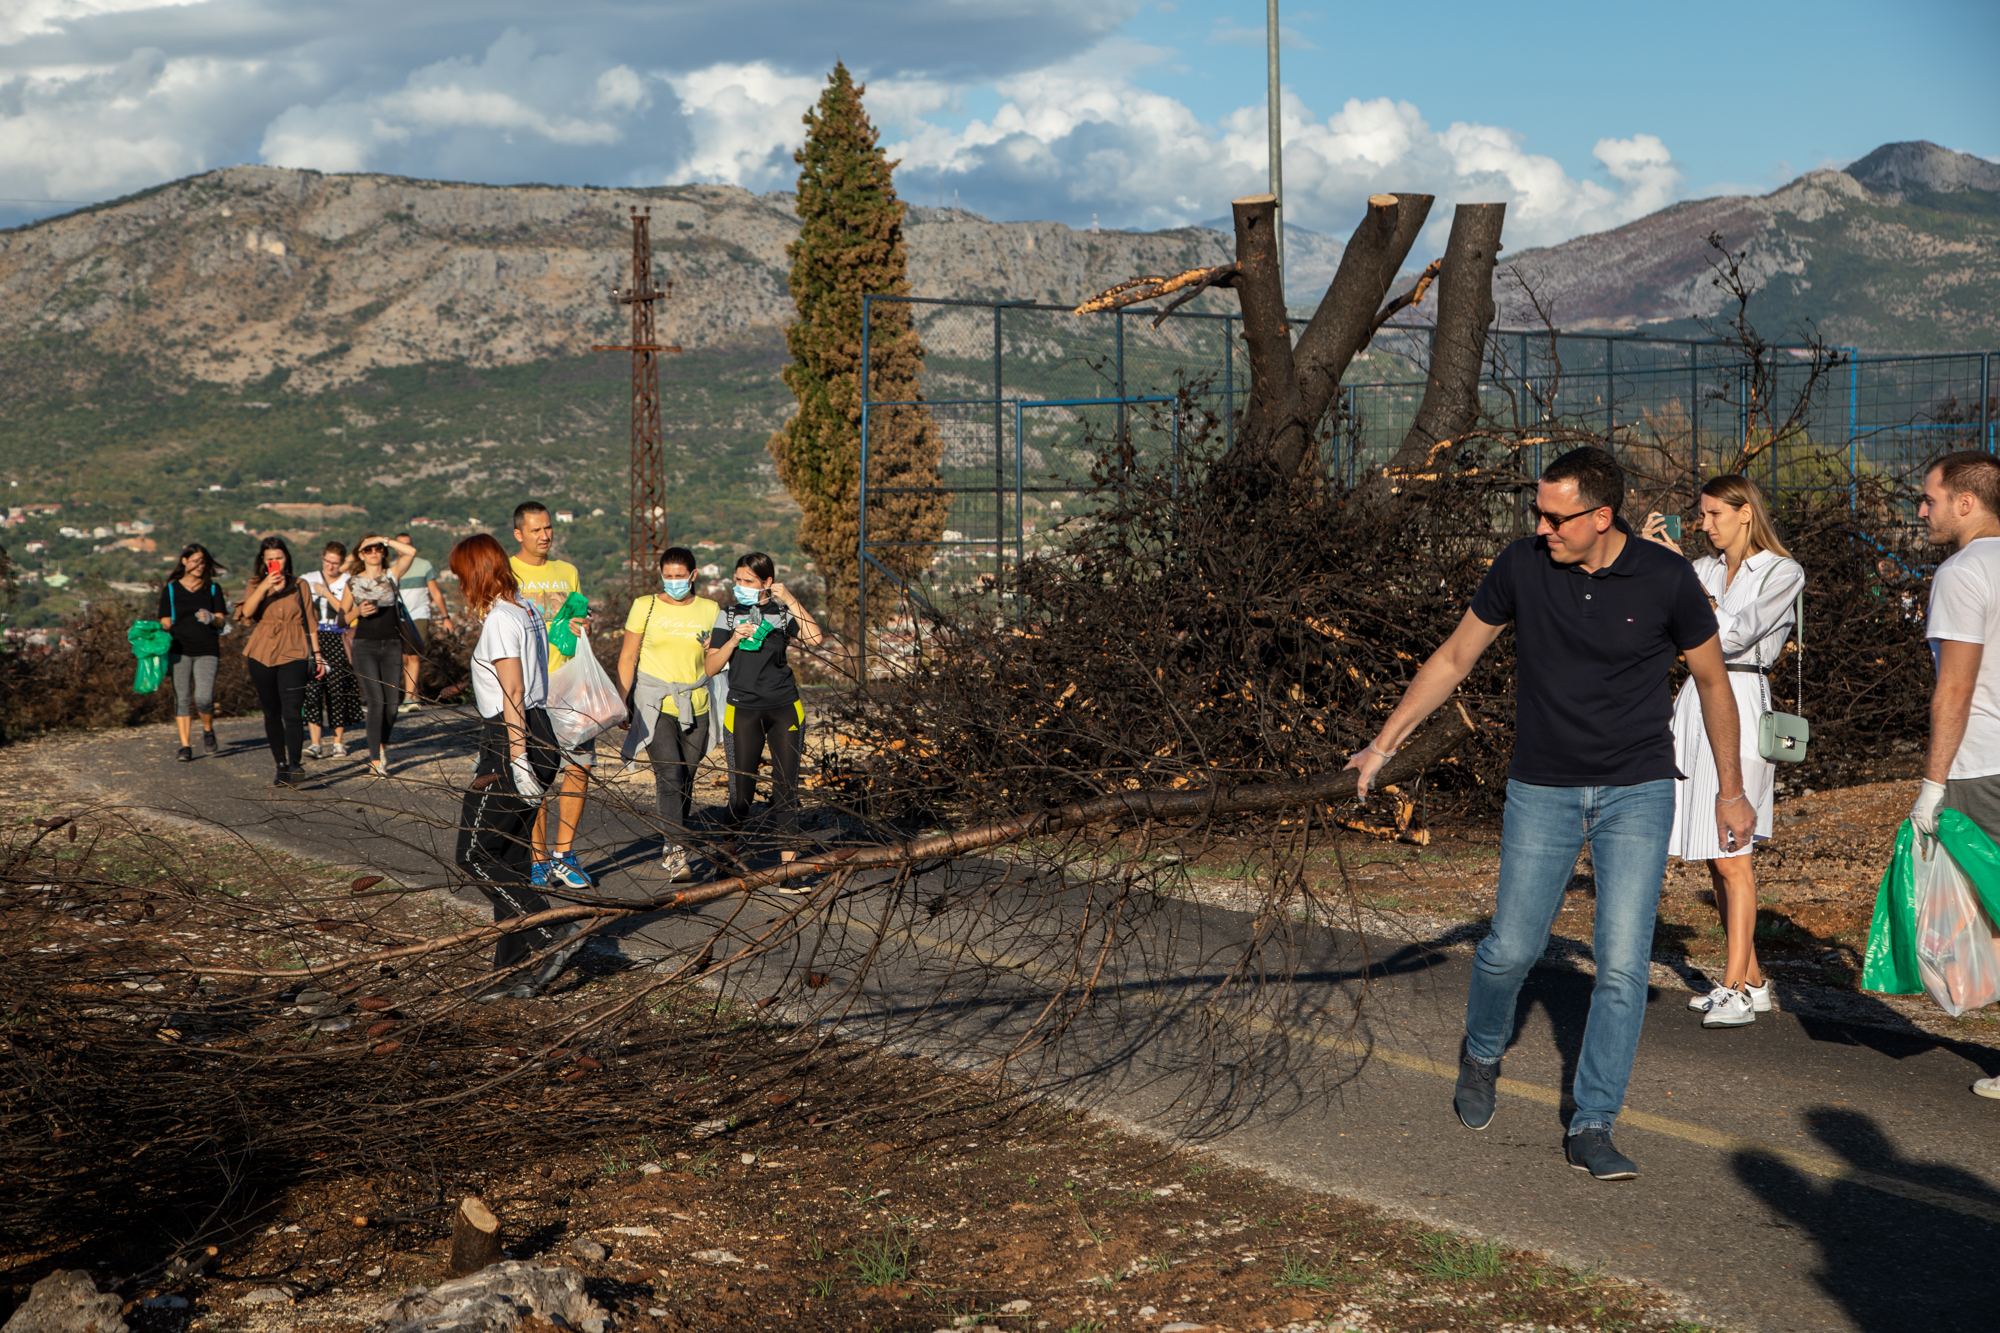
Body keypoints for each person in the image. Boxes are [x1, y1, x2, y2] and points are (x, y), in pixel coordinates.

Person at [1345, 448, 1752, 1180]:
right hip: (1543, 788)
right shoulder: (1521, 566)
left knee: (1623, 967)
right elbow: (1453, 659)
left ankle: (1593, 1122)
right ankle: (1482, 1049)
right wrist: (1382, 745)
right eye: (1537, 512)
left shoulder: (1666, 580)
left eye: (1554, 515)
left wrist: (1731, 788)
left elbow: (1714, 682)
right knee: (1508, 949)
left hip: (1638, 789)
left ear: (1602, 516)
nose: (1541, 527)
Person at [1642, 476, 1806, 1029]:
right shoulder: (1704, 568)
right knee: (1715, 851)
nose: (1704, 524)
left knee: (1735, 850)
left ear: (1744, 513)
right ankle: (1753, 982)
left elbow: (1735, 634)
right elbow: (1669, 624)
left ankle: (1735, 986)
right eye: (1702, 514)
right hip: (1695, 699)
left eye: (1714, 514)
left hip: (1741, 694)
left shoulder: (1784, 572)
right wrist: (1659, 560)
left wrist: (1689, 589)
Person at [449, 533, 582, 1002]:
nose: (461, 586)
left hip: (513, 739)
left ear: (476, 573)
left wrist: (518, 757)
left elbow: (512, 692)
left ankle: (549, 933)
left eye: (462, 576)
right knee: (510, 859)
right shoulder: (524, 608)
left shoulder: (502, 619)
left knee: (474, 854)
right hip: (534, 733)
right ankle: (513, 973)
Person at [1907, 450, 2000, 1102]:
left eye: (1930, 498)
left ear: (1966, 502)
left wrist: (1932, 785)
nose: (1922, 510)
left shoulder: (1964, 571)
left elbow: (1956, 687)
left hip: (1983, 763)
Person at [705, 552, 824, 867]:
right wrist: (732, 640)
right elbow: (711, 668)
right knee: (741, 796)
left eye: (748, 581)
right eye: (738, 580)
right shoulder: (728, 615)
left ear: (767, 582)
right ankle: (727, 852)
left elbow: (816, 638)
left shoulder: (782, 615)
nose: (740, 586)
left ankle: (788, 869)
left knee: (786, 790)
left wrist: (789, 599)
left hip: (785, 706)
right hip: (743, 710)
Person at [618, 547, 721, 881]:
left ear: (693, 575)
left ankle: (672, 842)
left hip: (697, 702)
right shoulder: (644, 606)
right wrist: (622, 701)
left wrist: (714, 650)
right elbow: (627, 657)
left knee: (686, 781)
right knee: (670, 777)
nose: (674, 582)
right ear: (660, 574)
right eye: (668, 576)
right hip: (654, 702)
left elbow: (719, 661)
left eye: (681, 576)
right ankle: (676, 853)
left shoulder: (711, 609)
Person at [509, 502, 595, 890]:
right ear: (518, 534)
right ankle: (539, 858)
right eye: (536, 530)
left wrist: (580, 624)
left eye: (548, 528)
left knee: (580, 764)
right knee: (539, 773)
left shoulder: (568, 571)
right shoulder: (507, 572)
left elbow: (575, 615)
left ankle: (564, 854)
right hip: (530, 687)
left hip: (570, 680)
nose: (545, 535)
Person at [237, 536, 324, 787]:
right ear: (263, 562)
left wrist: (317, 655)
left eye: (279, 557)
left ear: (287, 559)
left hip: (294, 650)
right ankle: (281, 765)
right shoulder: (255, 583)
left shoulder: (300, 585)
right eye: (270, 559)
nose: (275, 562)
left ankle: (295, 763)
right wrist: (265, 586)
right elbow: (247, 612)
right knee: (272, 712)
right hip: (261, 651)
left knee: (293, 711)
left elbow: (310, 621)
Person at [342, 533, 417, 778]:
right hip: (364, 645)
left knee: (392, 705)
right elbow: (340, 619)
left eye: (378, 549)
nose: (374, 553)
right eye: (368, 549)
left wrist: (384, 539)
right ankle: (375, 758)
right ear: (361, 554)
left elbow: (410, 552)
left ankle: (381, 745)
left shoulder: (391, 575)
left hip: (392, 644)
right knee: (376, 702)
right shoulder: (352, 582)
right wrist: (357, 611)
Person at [157, 542, 229, 762]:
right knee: (183, 699)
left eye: (203, 562)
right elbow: (166, 622)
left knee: (204, 698)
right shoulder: (170, 590)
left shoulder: (213, 588)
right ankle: (185, 746)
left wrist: (212, 618)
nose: (200, 565)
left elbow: (221, 621)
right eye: (196, 561)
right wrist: (152, 631)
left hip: (207, 648)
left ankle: (207, 729)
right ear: (185, 561)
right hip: (179, 650)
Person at [300, 540, 363, 760]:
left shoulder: (350, 581)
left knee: (338, 689)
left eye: (335, 563)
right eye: (327, 562)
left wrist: (326, 593)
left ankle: (338, 742)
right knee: (314, 689)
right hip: (315, 638)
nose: (330, 567)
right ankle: (315, 743)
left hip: (339, 636)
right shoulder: (308, 579)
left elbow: (345, 613)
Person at [395, 531, 453, 710]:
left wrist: (445, 617)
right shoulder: (392, 568)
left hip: (419, 614)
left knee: (414, 655)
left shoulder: (424, 565)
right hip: (400, 617)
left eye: (409, 544)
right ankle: (411, 693)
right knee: (404, 657)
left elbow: (435, 592)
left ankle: (410, 697)